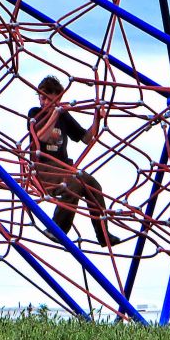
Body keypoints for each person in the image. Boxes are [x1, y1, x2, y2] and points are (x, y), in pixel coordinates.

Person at [27, 75, 121, 249]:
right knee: (74, 184)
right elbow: (42, 137)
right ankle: (56, 229)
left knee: (93, 184)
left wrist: (97, 118)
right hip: (43, 170)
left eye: (50, 98)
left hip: (63, 168)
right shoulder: (35, 114)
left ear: (59, 98)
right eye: (43, 97)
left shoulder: (63, 116)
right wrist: (55, 113)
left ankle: (103, 235)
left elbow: (86, 138)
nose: (45, 102)